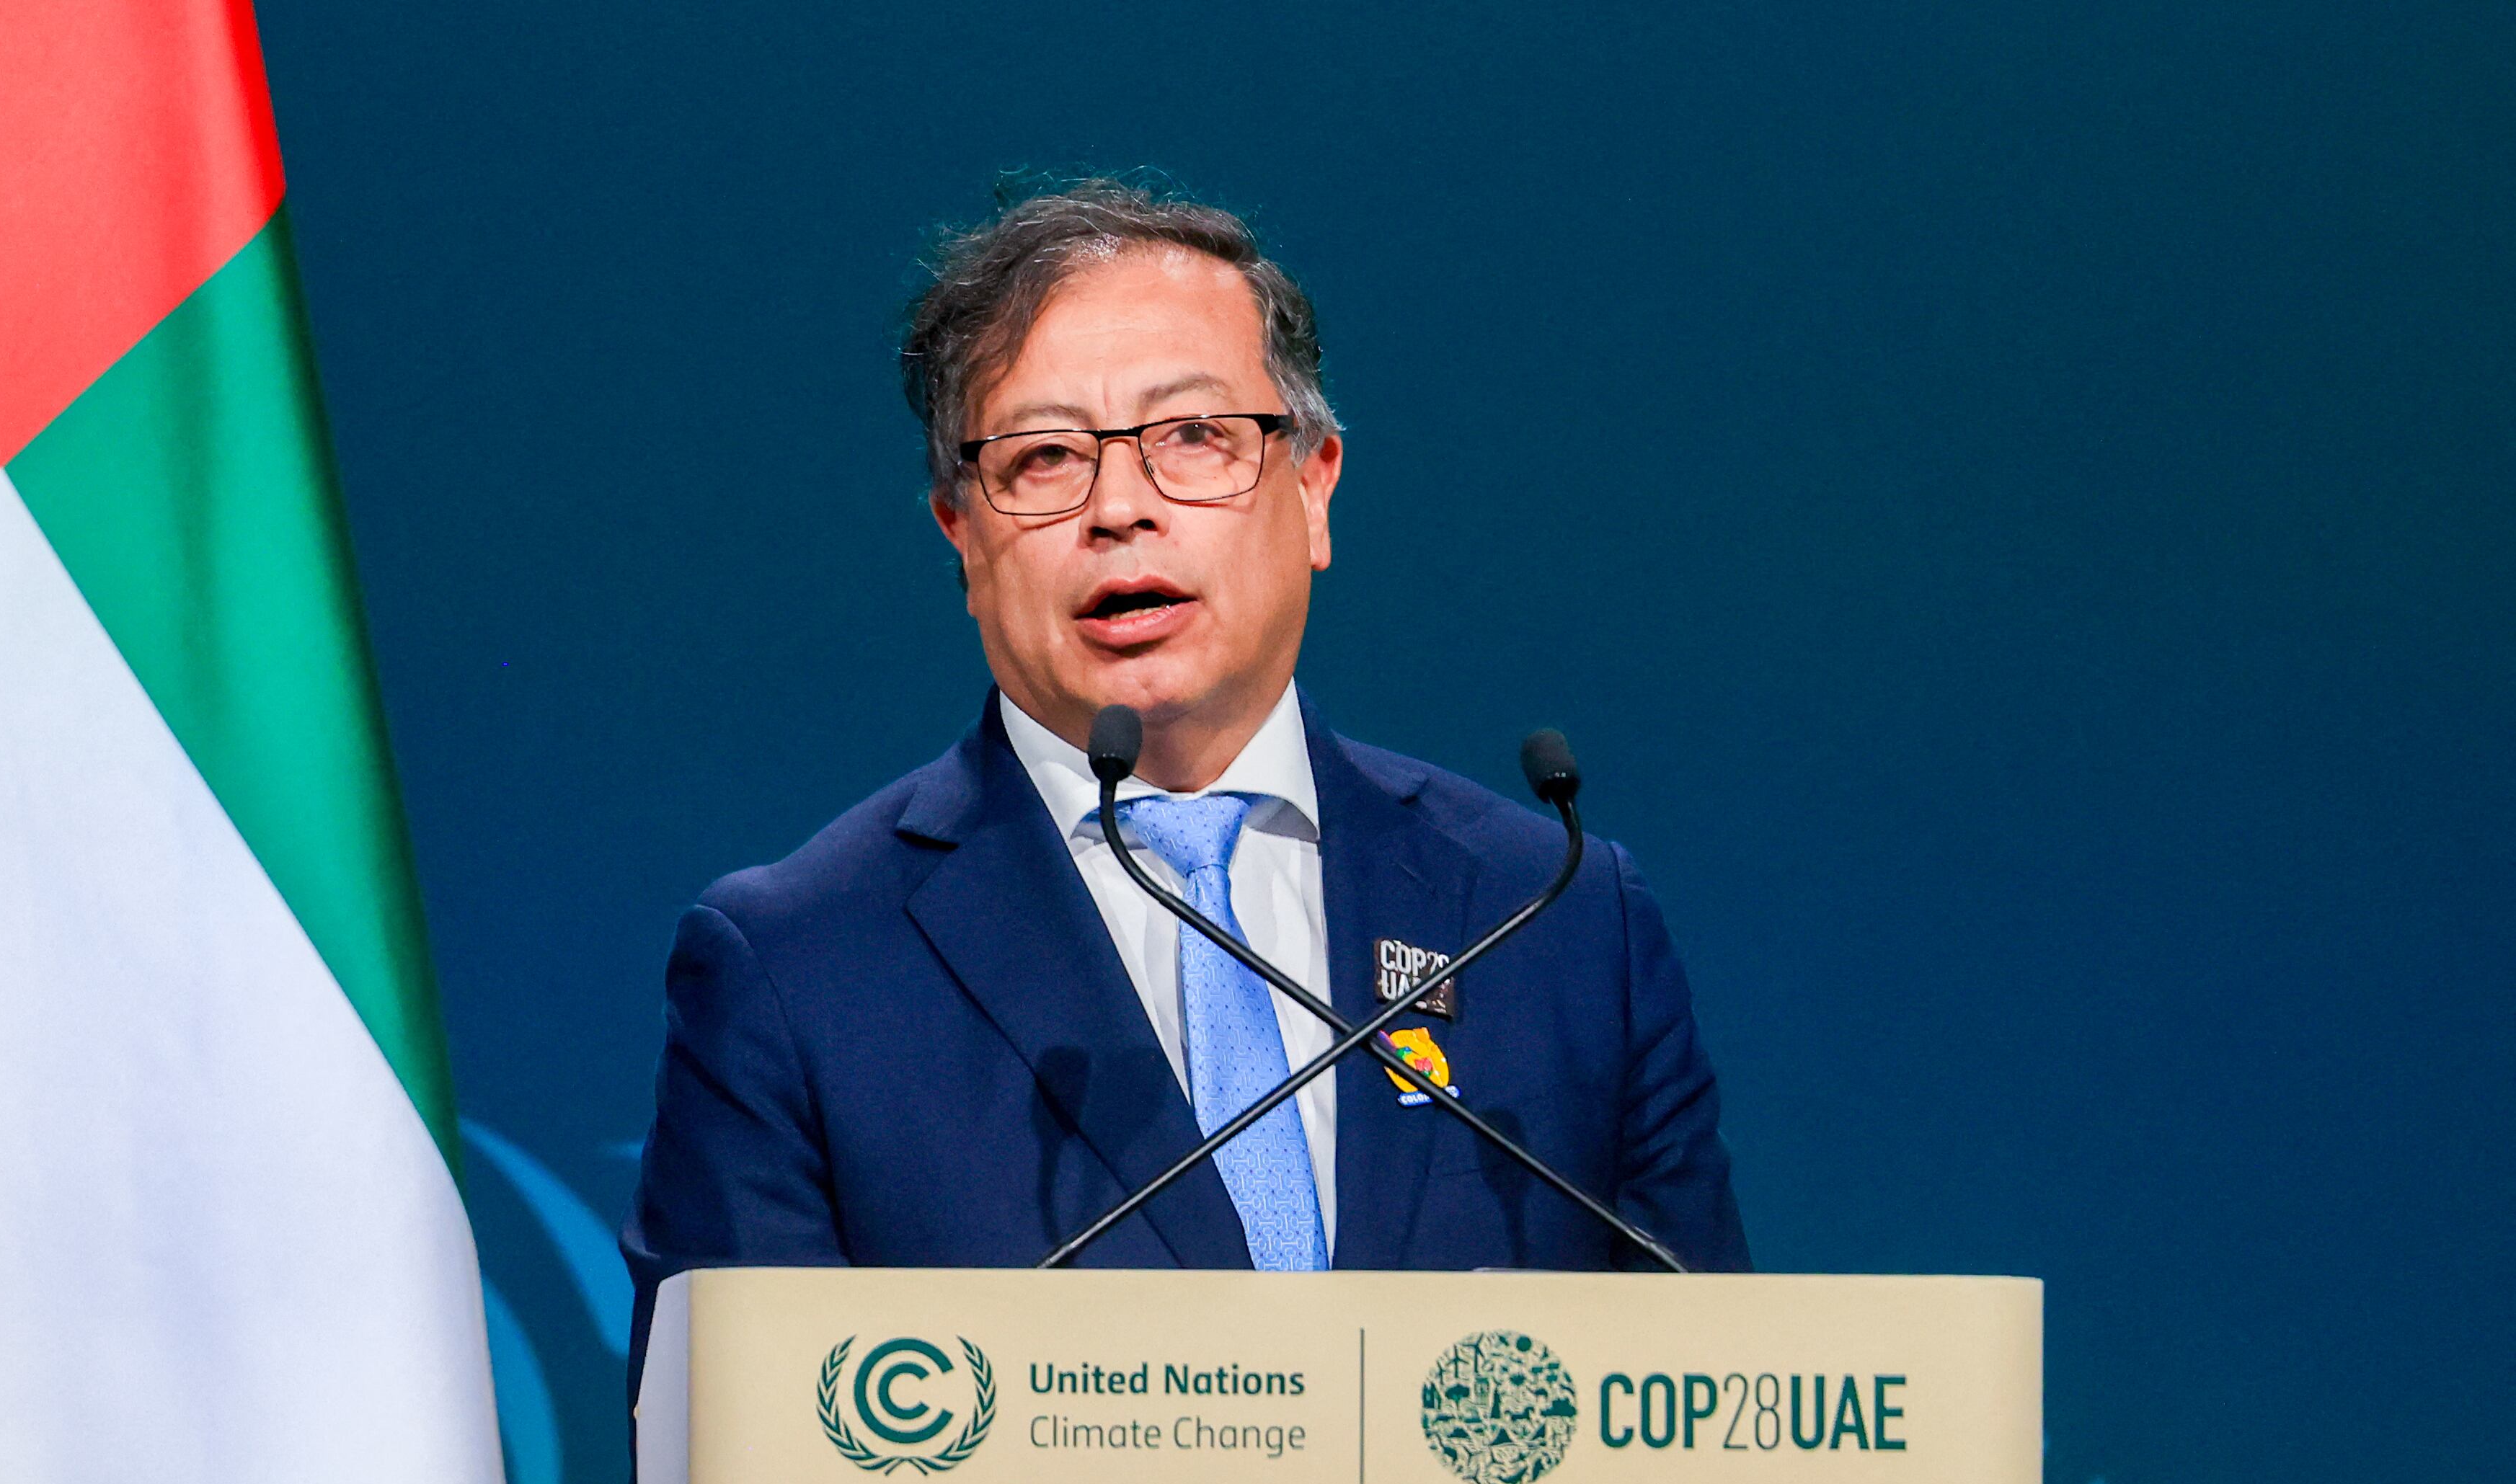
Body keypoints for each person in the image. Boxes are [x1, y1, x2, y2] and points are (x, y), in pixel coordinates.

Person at [621, 178, 1748, 1403]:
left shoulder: (1559, 920)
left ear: (1313, 488)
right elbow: (729, 1478)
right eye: (1044, 458)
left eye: (1195, 436)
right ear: (961, 535)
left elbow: (1710, 1425)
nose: (1120, 509)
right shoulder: (801, 971)